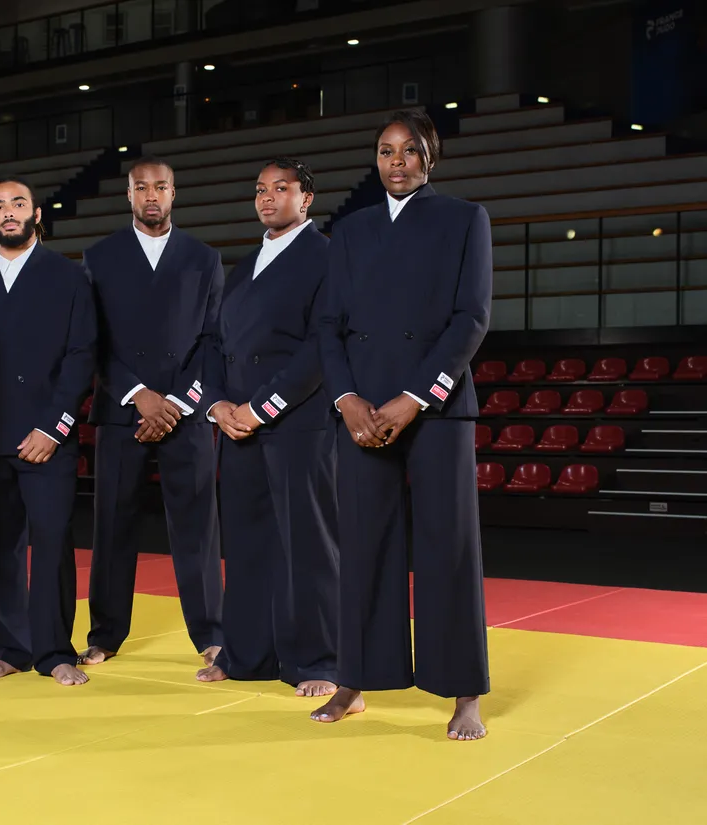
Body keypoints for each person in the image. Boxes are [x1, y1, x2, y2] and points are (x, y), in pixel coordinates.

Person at [312, 108, 492, 740]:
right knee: (363, 548)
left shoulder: (464, 219)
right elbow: (328, 326)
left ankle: (463, 691)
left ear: (429, 157)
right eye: (385, 151)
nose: (396, 161)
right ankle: (356, 679)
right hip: (361, 411)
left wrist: (416, 398)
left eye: (408, 150)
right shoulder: (351, 230)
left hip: (436, 410)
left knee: (450, 549)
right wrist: (348, 400)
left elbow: (471, 319)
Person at [195, 158, 341, 697]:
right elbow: (214, 343)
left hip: (299, 424)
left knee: (307, 544)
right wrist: (216, 405)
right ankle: (247, 655)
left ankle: (320, 659)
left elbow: (322, 345)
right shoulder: (247, 263)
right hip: (237, 428)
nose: (267, 198)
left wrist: (263, 406)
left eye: (282, 189)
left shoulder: (326, 257)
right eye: (260, 189)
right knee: (249, 544)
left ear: (306, 198)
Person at [0, 176, 97, 687]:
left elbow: (81, 356)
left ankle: (55, 650)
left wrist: (54, 428)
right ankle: (11, 645)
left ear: (36, 214)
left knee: (52, 543)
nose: (8, 212)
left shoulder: (69, 277)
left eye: (17, 204)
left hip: (45, 438)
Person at [79, 156, 224, 669]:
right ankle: (106, 633)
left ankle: (210, 632)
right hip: (124, 412)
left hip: (186, 414)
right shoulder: (99, 257)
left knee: (197, 528)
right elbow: (92, 342)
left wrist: (179, 402)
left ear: (174, 192)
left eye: (161, 186)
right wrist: (138, 393)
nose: (152, 196)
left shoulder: (204, 258)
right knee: (113, 526)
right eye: (142, 188)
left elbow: (213, 340)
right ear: (129, 195)